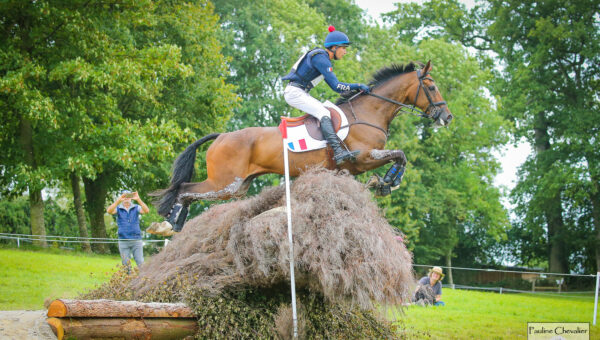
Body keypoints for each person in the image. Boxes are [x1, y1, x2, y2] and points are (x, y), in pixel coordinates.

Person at [282, 25, 370, 165]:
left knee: (325, 111)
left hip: (298, 92)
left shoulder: (321, 58)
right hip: (295, 93)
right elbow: (337, 87)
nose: (345, 52)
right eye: (344, 48)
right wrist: (358, 86)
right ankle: (338, 151)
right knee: (324, 112)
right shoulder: (321, 58)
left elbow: (336, 87)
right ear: (334, 48)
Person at [106, 190, 150, 271]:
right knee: (126, 264)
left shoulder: (136, 207)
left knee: (140, 262)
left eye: (128, 196)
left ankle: (143, 280)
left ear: (131, 198)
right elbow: (109, 211)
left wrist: (138, 199)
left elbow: (146, 210)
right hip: (123, 240)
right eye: (124, 196)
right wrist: (118, 201)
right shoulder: (118, 208)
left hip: (136, 240)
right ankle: (128, 282)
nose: (126, 198)